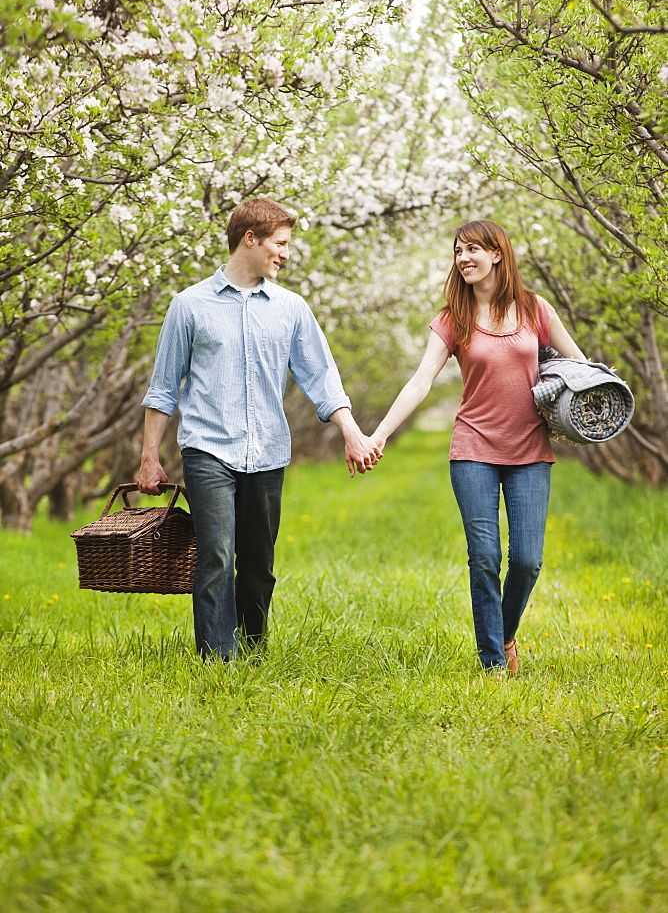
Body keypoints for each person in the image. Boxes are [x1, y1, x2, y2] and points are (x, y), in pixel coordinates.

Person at [137, 197, 381, 661]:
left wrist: (351, 431)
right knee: (215, 556)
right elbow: (163, 388)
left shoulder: (290, 308)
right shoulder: (189, 305)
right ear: (250, 239)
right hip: (207, 450)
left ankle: (252, 650)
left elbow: (321, 377)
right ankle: (216, 658)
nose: (286, 254)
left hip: (267, 451)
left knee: (258, 564)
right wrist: (150, 455)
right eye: (281, 243)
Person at [370, 219, 585, 677]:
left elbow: (578, 364)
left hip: (530, 449)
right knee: (484, 556)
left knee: (528, 560)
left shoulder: (535, 309)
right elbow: (421, 379)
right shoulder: (453, 318)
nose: (463, 258)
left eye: (472, 249)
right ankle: (492, 662)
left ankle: (503, 634)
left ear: (497, 255)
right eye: (457, 251)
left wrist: (598, 399)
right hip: (473, 448)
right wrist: (381, 432)